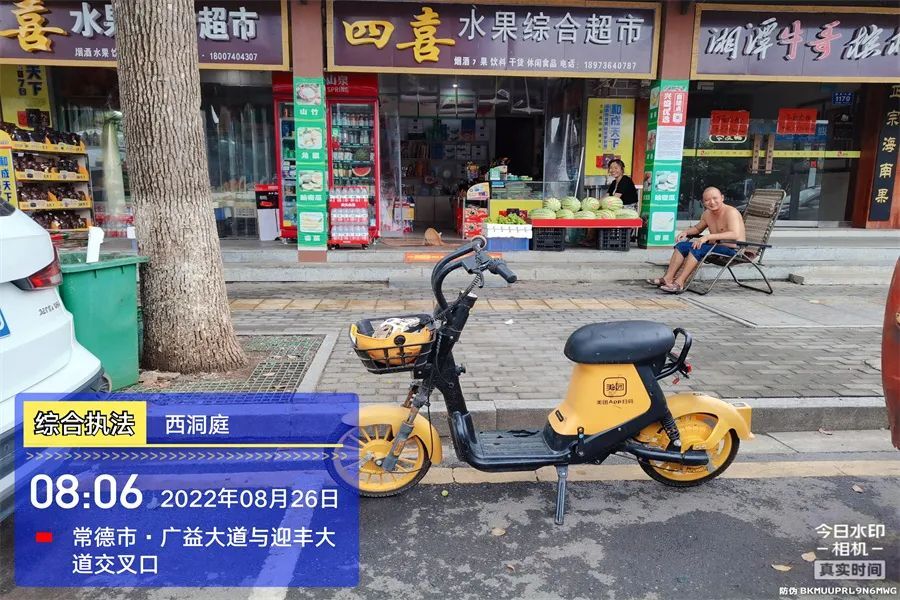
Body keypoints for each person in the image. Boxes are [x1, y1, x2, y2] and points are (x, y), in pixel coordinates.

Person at [648, 186, 745, 294]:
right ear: (703, 202)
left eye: (715, 198)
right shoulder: (707, 214)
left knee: (697, 248)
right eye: (707, 200)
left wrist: (707, 237)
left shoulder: (731, 212)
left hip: (732, 250)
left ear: (722, 198)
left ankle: (679, 283)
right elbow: (698, 228)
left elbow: (734, 234)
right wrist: (686, 232)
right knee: (681, 246)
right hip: (714, 246)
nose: (712, 202)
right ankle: (668, 278)